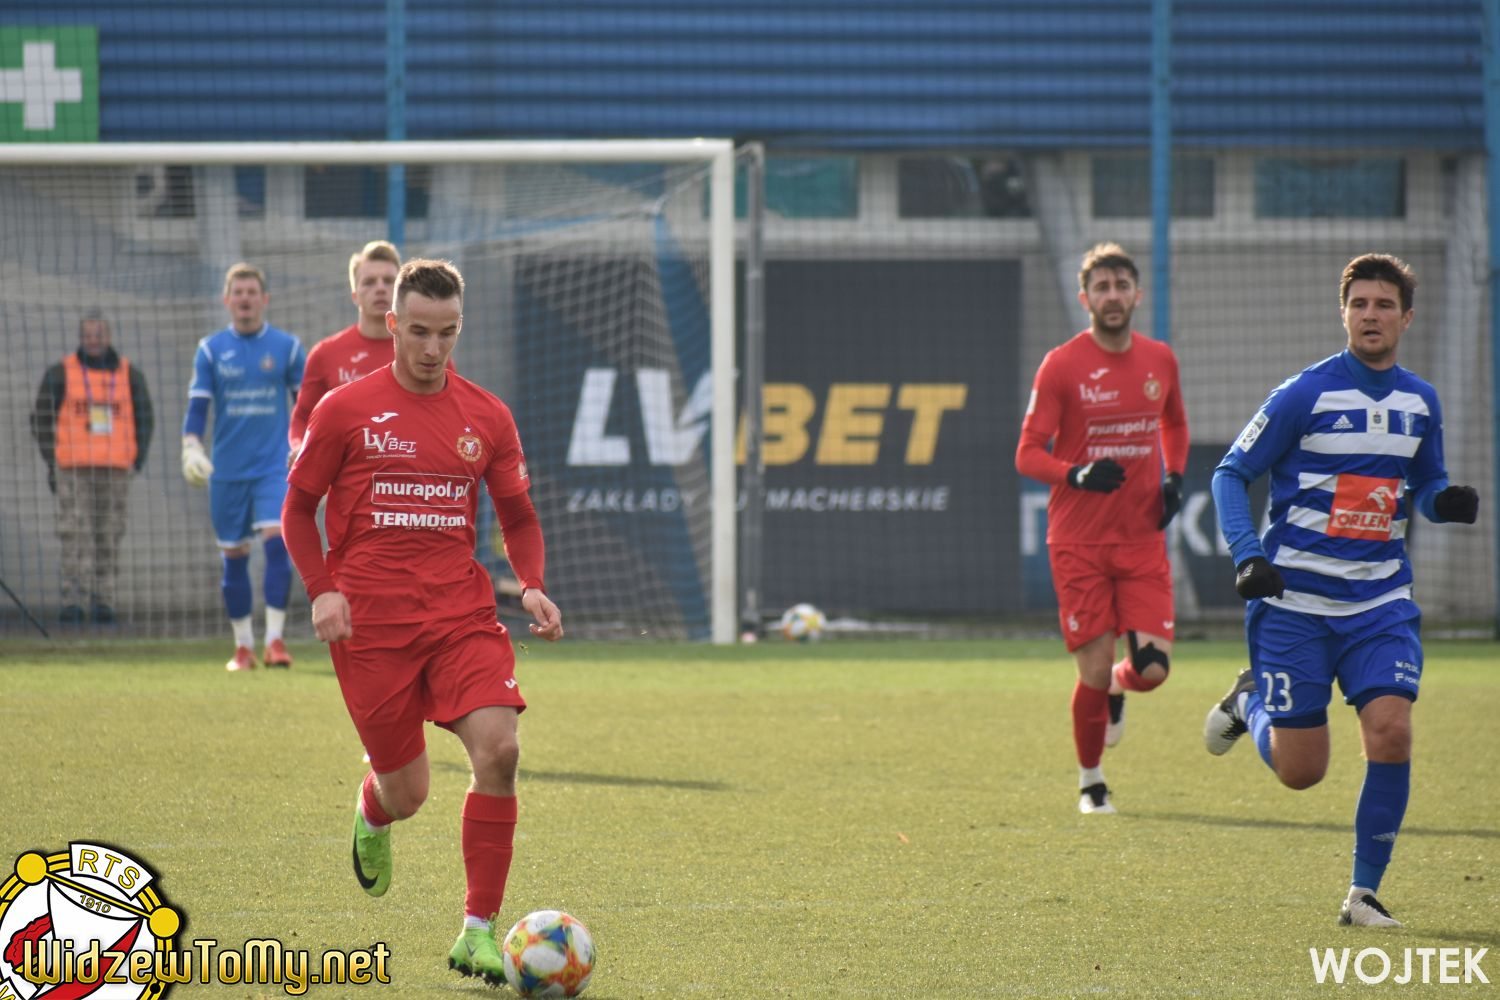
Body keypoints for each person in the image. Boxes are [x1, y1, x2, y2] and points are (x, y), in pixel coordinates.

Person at [281, 258, 564, 983]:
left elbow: (518, 515)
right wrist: (322, 590)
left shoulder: (487, 415)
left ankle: (477, 931)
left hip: (460, 615)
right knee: (408, 794)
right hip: (370, 626)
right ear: (392, 324)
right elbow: (298, 509)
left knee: (500, 751)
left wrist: (532, 585)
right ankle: (373, 810)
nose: (432, 348)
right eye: (418, 332)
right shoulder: (344, 410)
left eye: (447, 333)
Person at [1203, 253, 1479, 927]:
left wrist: (1443, 502)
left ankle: (1362, 895)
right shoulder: (1304, 394)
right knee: (1302, 772)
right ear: (1344, 313)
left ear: (1406, 318)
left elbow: (1424, 482)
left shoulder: (1421, 401)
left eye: (1384, 305)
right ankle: (1249, 702)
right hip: (1295, 607)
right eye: (1359, 304)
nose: (1370, 315)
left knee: (1392, 730)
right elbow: (1229, 474)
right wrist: (1248, 556)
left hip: (1380, 603)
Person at [1015, 241, 1190, 815]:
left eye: (1121, 286)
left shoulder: (1160, 360)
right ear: (1084, 298)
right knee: (1090, 671)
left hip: (1141, 539)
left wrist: (1174, 476)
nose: (1112, 296)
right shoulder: (1062, 364)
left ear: (1137, 295)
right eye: (1101, 287)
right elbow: (1027, 453)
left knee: (1153, 671)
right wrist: (1077, 474)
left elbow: (1174, 423)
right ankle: (1091, 782)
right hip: (1079, 543)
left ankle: (1122, 684)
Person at [182, 263, 306, 671]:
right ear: (227, 300)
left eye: (252, 291)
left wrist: (307, 449)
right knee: (233, 555)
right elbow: (198, 407)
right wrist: (191, 445)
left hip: (273, 467)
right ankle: (243, 647)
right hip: (227, 472)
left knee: (277, 543)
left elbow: (306, 407)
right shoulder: (211, 350)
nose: (245, 298)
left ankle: (275, 641)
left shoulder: (287, 348)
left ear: (264, 299)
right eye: (238, 292)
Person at [30, 311, 154, 624]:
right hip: (73, 469)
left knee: (109, 535)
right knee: (74, 535)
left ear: (108, 337)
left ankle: (104, 599)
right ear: (81, 338)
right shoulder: (61, 373)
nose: (94, 340)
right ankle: (73, 600)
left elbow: (145, 418)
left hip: (115, 470)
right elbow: (40, 418)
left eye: (99, 334)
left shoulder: (129, 374)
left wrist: (136, 460)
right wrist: (53, 460)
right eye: (88, 335)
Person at [288, 240, 402, 458]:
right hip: (343, 476)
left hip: (404, 475)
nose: (380, 288)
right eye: (369, 282)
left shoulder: (425, 352)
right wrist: (299, 447)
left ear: (401, 292)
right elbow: (302, 417)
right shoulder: (325, 354)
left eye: (389, 281)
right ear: (355, 295)